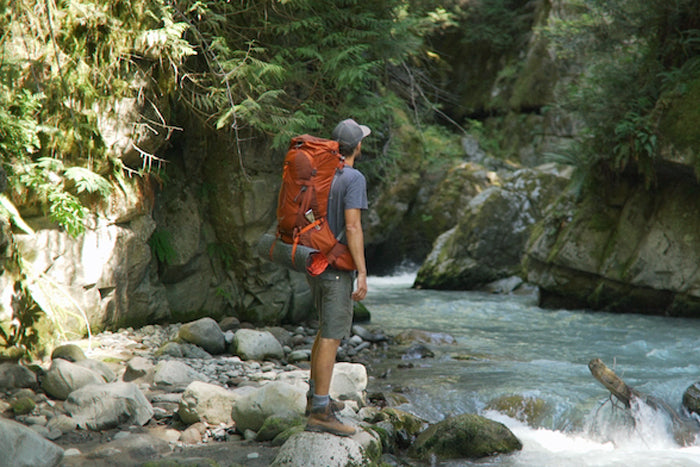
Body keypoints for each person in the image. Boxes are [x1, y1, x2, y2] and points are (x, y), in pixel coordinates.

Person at [305, 118, 370, 437]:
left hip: (313, 261)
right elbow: (353, 227)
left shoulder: (320, 172)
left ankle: (314, 398)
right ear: (357, 147)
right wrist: (362, 272)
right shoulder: (353, 178)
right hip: (335, 268)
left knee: (324, 329)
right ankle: (320, 413)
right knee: (332, 336)